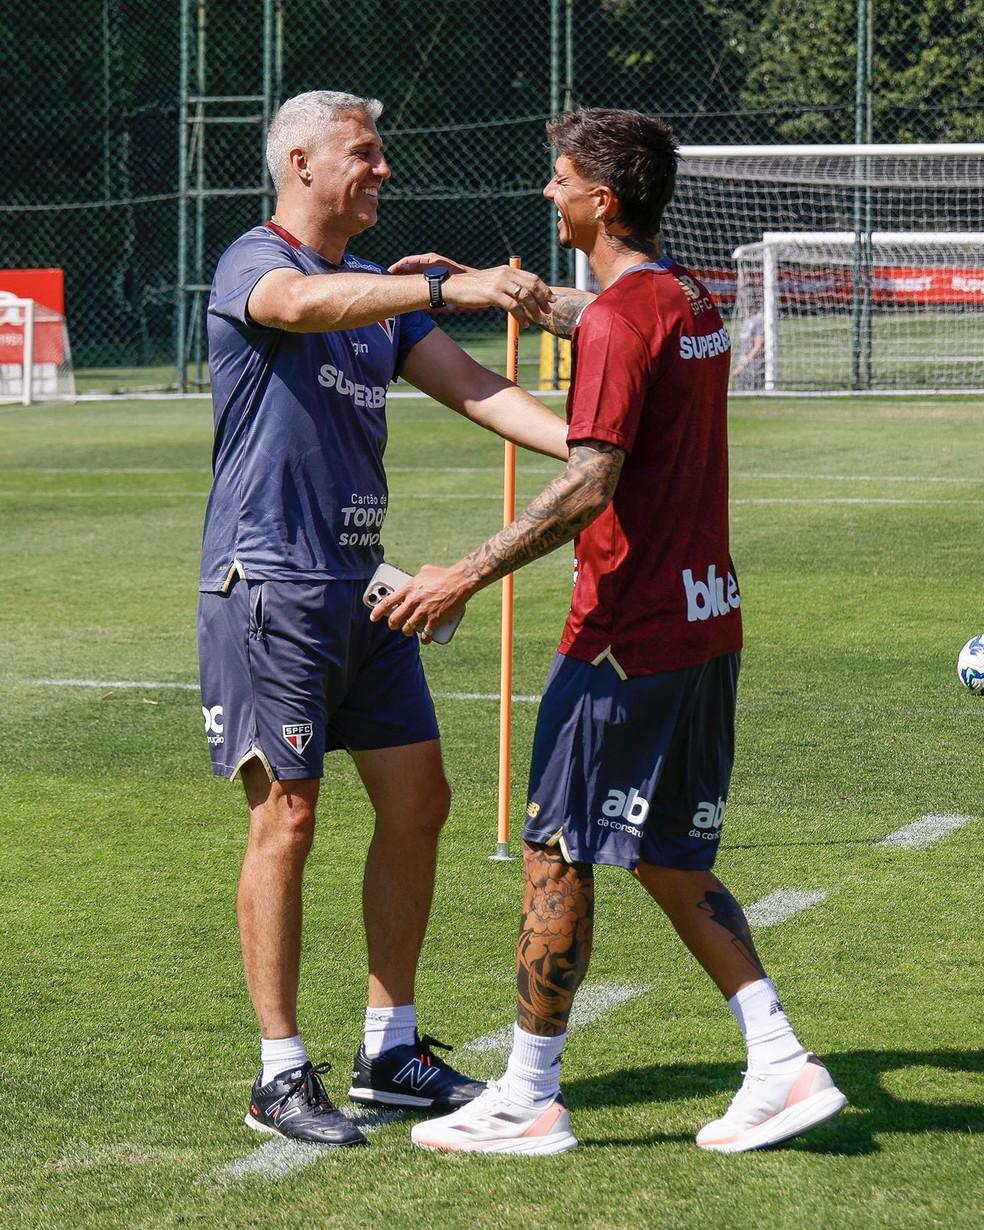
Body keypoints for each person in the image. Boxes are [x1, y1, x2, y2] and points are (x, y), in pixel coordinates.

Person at [374, 107, 848, 1155]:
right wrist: (533, 300)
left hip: (624, 634)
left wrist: (463, 575)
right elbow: (617, 323)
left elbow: (588, 484)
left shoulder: (634, 318)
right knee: (672, 854)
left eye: (559, 180)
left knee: (555, 849)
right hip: (708, 619)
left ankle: (531, 1094)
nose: (548, 193)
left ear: (603, 198)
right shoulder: (683, 295)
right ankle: (780, 1060)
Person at [198, 89, 569, 1148]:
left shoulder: (383, 296)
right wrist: (446, 285)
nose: (383, 169)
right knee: (291, 818)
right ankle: (277, 1074)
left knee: (420, 802)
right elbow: (297, 308)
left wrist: (594, 449)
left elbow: (477, 389)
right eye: (365, 153)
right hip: (268, 584)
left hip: (365, 589)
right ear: (303, 162)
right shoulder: (254, 260)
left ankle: (389, 1051)